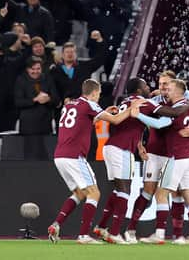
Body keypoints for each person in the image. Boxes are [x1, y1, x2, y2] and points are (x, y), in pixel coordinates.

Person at [94, 77, 189, 244]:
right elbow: (173, 114)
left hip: (111, 147)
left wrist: (139, 143)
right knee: (125, 192)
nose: (151, 87)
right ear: (140, 90)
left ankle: (102, 226)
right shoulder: (144, 102)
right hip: (122, 150)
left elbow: (130, 125)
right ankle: (115, 233)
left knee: (118, 191)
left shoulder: (126, 101)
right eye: (146, 85)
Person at [47, 78, 144, 245]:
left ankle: (56, 224)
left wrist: (102, 113)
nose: (98, 97)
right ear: (93, 93)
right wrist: (132, 109)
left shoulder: (70, 105)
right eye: (98, 94)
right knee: (94, 193)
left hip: (60, 156)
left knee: (79, 193)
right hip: (74, 156)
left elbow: (83, 122)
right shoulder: (89, 104)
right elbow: (115, 120)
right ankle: (84, 235)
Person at [14, 57, 60, 159]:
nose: (35, 71)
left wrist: (48, 99)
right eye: (32, 69)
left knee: (46, 155)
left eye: (38, 68)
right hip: (28, 126)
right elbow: (18, 102)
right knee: (30, 155)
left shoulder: (47, 79)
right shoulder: (21, 80)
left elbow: (56, 99)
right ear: (27, 69)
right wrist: (35, 99)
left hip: (45, 124)